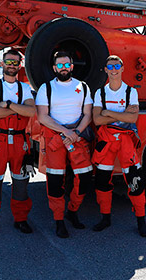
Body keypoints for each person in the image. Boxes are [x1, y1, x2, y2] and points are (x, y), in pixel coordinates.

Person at [0, 49, 36, 237]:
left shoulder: (25, 88)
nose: (11, 66)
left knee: (21, 182)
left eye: (15, 63)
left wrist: (7, 105)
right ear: (2, 64)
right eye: (8, 62)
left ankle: (21, 219)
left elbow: (31, 112)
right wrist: (19, 108)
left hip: (21, 141)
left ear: (20, 65)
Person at [36, 51, 94, 238]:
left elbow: (88, 114)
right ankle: (59, 220)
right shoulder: (46, 88)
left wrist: (75, 133)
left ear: (72, 66)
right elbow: (42, 116)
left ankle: (72, 211)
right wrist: (65, 132)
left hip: (76, 137)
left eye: (66, 64)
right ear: (54, 68)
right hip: (56, 138)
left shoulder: (83, 87)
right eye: (59, 65)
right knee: (55, 181)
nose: (63, 68)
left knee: (84, 177)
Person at [91, 55, 146, 237]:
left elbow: (133, 118)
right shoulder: (99, 93)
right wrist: (121, 114)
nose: (114, 69)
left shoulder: (131, 92)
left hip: (126, 141)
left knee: (135, 181)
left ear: (123, 68)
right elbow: (96, 119)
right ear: (106, 70)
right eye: (110, 66)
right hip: (106, 140)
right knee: (102, 181)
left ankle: (141, 220)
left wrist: (107, 112)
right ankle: (105, 218)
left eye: (117, 65)